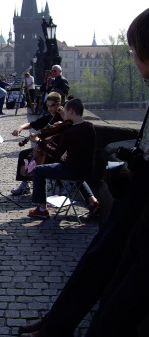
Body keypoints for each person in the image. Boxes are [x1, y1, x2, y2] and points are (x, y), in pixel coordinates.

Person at [19, 9, 149, 337]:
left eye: (134, 52)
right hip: (136, 193)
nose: (133, 59)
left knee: (121, 287)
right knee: (100, 256)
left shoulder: (75, 125)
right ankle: (57, 322)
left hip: (143, 199)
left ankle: (60, 324)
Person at [27, 98, 98, 219]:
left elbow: (56, 154)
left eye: (64, 111)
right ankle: (93, 202)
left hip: (71, 170)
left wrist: (39, 142)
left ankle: (42, 209)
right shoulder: (90, 127)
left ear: (71, 111)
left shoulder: (69, 132)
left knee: (39, 171)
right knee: (77, 172)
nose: (63, 114)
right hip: (87, 170)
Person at [10, 92, 64, 195]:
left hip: (58, 149)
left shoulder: (64, 118)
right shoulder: (48, 118)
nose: (49, 108)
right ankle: (25, 185)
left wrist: (62, 114)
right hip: (44, 148)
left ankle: (61, 185)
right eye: (47, 105)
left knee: (57, 158)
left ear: (59, 104)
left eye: (52, 105)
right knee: (24, 154)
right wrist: (20, 128)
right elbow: (31, 124)